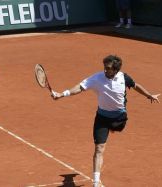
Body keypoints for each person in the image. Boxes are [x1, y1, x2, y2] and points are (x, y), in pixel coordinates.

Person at [52, 55, 160, 187]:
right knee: (99, 148)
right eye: (104, 67)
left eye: (108, 68)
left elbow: (135, 85)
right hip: (102, 118)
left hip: (119, 118)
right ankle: (96, 182)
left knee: (117, 128)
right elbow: (80, 87)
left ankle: (113, 129)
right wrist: (62, 94)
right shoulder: (97, 78)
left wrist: (149, 95)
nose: (105, 70)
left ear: (116, 70)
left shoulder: (124, 78)